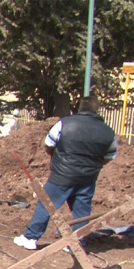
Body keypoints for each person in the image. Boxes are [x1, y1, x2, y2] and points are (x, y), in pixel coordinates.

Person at [14, 95, 117, 251]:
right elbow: (109, 156)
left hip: (62, 175)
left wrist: (58, 159)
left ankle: (30, 237)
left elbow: (49, 144)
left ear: (79, 108)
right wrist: (93, 166)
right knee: (82, 210)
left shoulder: (64, 124)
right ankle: (77, 243)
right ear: (97, 109)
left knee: (47, 204)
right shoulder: (108, 132)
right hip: (88, 177)